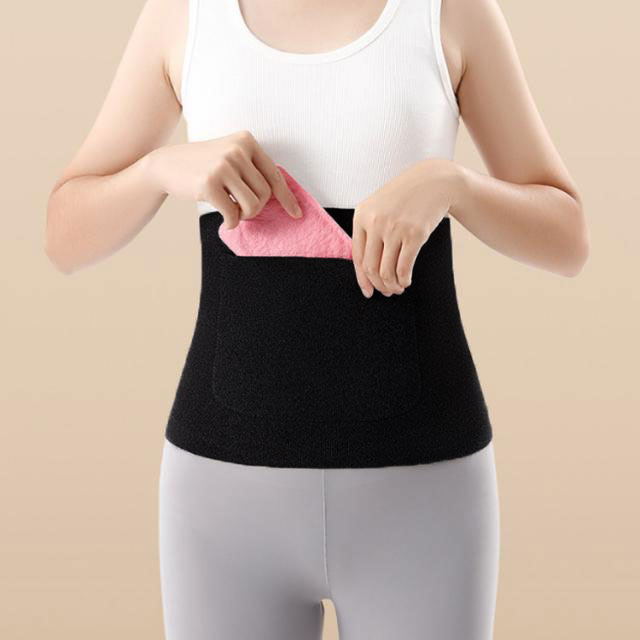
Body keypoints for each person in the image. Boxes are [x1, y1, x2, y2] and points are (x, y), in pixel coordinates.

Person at [45, 0, 589, 638]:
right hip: (223, 500)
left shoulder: (449, 12)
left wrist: (453, 186)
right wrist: (157, 170)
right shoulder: (185, 16)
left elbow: (568, 239)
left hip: (424, 493)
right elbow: (63, 238)